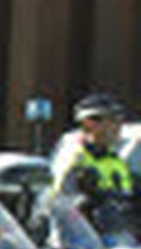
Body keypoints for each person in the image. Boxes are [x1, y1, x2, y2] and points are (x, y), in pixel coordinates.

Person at [52, 92, 135, 237]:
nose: (119, 127)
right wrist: (85, 201)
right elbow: (61, 205)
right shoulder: (73, 159)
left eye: (120, 121)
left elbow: (127, 200)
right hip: (83, 247)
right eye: (113, 120)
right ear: (89, 124)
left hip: (119, 242)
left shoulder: (116, 161)